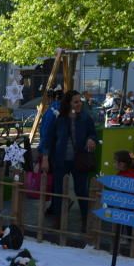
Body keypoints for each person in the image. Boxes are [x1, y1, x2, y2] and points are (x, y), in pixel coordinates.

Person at [41, 90, 98, 229]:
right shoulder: (59, 119)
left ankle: (86, 221)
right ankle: (58, 220)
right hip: (60, 159)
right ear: (68, 103)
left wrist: (91, 139)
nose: (79, 104)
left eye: (80, 101)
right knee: (58, 190)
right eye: (76, 101)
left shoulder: (85, 118)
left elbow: (93, 133)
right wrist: (45, 158)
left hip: (79, 160)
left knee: (81, 190)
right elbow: (48, 139)